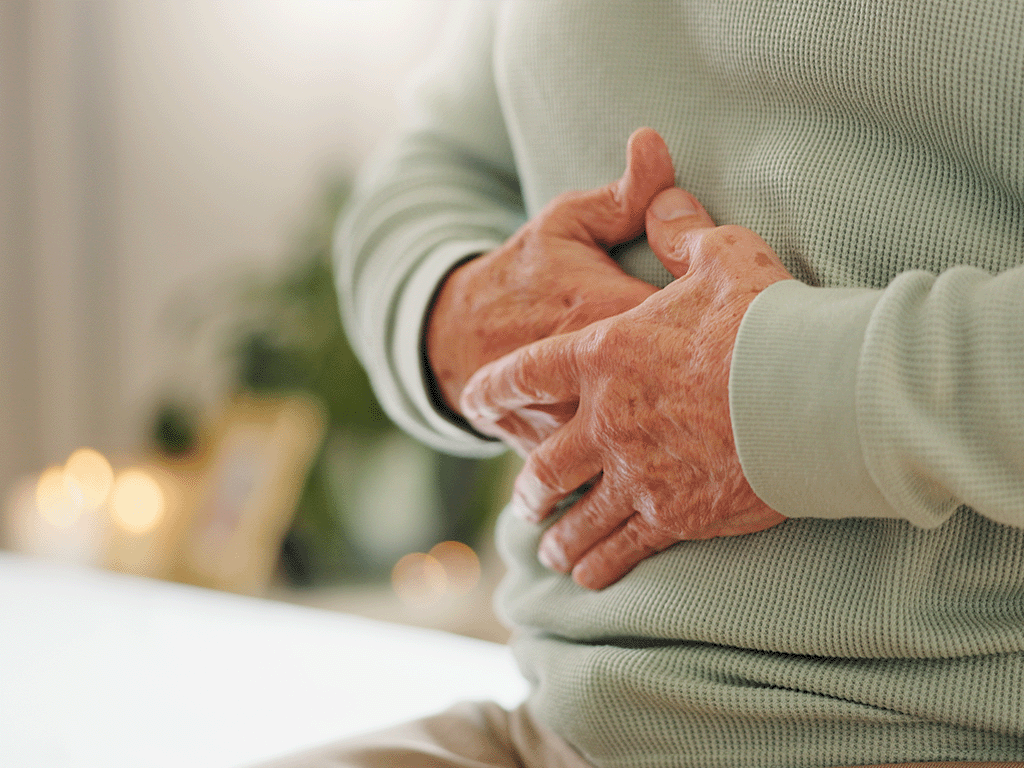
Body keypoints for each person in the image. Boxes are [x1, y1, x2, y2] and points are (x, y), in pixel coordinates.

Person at [260, 1, 1024, 766]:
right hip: (552, 733)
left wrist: (779, 393)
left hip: (961, 728)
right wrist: (453, 308)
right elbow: (434, 164)